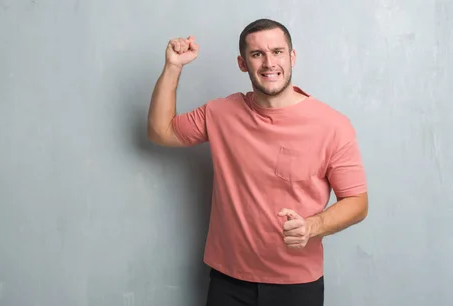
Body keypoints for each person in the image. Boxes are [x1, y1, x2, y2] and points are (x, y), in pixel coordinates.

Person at [146, 18, 368, 306]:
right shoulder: (220, 113)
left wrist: (313, 226)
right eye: (257, 54)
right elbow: (159, 131)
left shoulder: (333, 125)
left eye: (277, 52)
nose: (268, 63)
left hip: (297, 283)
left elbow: (357, 202)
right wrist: (173, 67)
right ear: (242, 63)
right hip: (228, 280)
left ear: (292, 57)